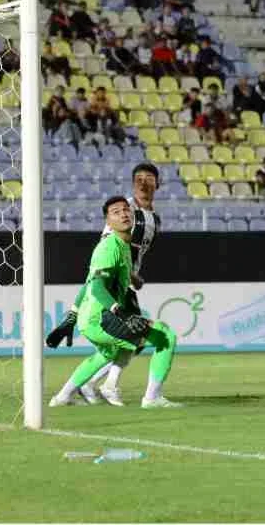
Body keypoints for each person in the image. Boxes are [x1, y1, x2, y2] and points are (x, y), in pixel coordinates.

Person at [46, 164, 162, 407]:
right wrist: (128, 276)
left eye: (149, 179)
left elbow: (138, 251)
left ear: (157, 184)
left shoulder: (155, 218)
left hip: (126, 283)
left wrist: (134, 275)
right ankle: (106, 386)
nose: (143, 183)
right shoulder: (124, 211)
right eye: (138, 179)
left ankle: (76, 390)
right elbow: (107, 250)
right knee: (135, 339)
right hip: (114, 283)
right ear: (132, 184)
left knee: (125, 345)